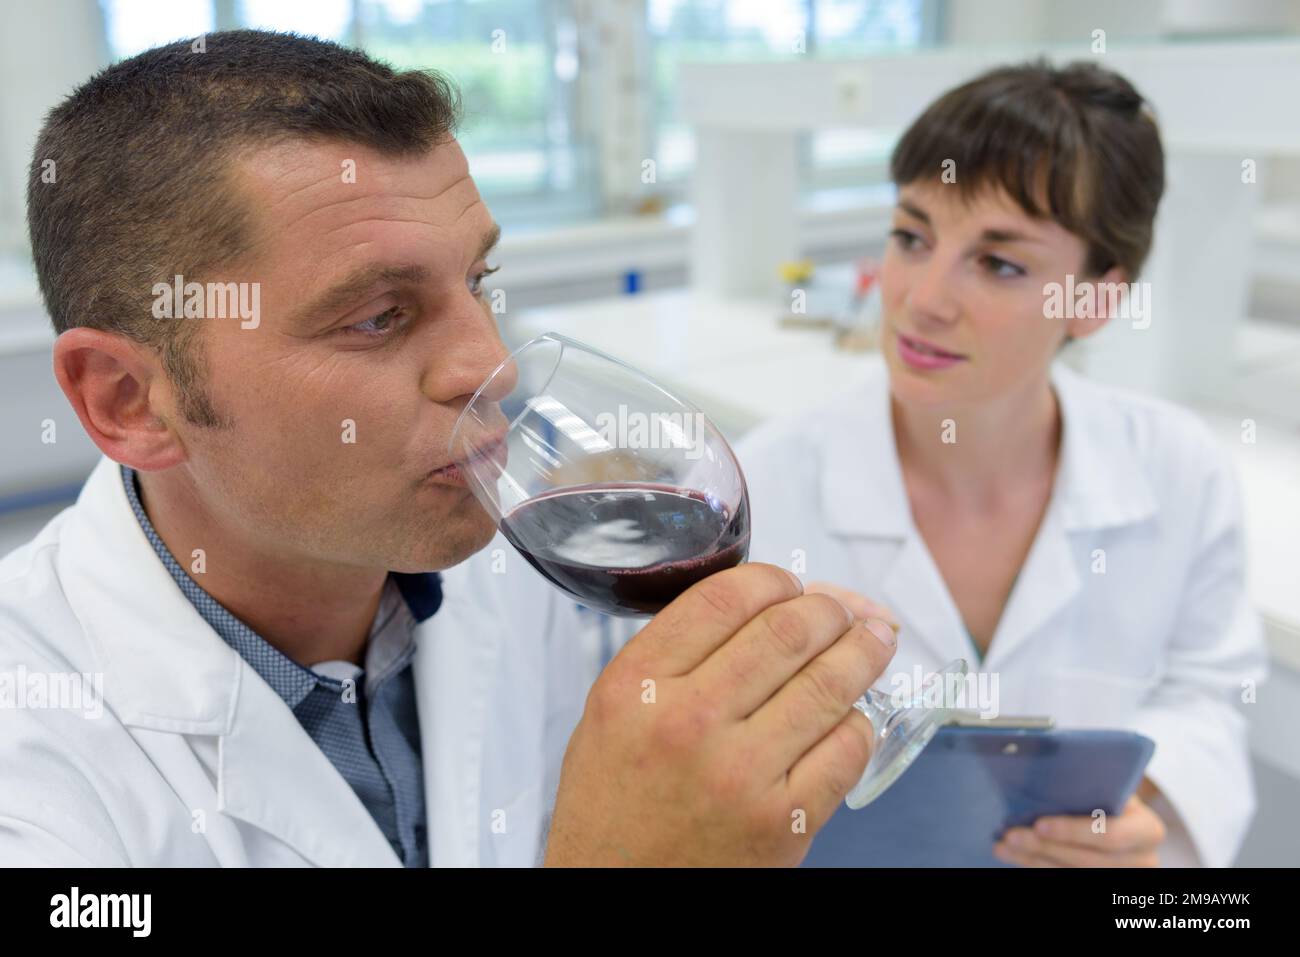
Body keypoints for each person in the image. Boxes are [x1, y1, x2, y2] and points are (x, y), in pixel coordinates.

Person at [0, 30, 899, 867]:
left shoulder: (483, 559)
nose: (493, 367)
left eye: (479, 280)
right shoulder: (33, 773)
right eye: (378, 317)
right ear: (129, 401)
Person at [738, 61, 1268, 867]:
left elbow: (1209, 700)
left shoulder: (1178, 471)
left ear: (1094, 302)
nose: (922, 297)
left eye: (1000, 263)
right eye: (913, 237)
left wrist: (1146, 826)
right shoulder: (765, 485)